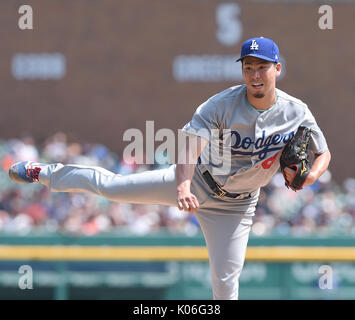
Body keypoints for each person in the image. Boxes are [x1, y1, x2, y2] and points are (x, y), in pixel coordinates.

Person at [9, 37, 331, 300]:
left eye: (262, 67)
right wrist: (182, 186)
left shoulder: (296, 112)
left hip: (236, 207)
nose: (255, 75)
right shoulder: (220, 105)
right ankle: (44, 172)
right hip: (198, 182)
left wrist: (310, 177)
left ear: (277, 68)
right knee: (112, 187)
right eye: (249, 68)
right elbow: (190, 148)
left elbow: (323, 153)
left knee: (225, 286)